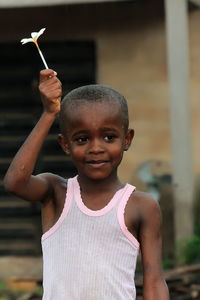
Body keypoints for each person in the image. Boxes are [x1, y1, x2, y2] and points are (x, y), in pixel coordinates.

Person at [4, 69, 169, 300]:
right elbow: (14, 183)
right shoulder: (56, 192)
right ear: (65, 144)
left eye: (109, 137)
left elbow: (154, 279)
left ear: (127, 139)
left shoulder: (142, 206)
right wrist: (49, 114)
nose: (96, 148)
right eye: (82, 139)